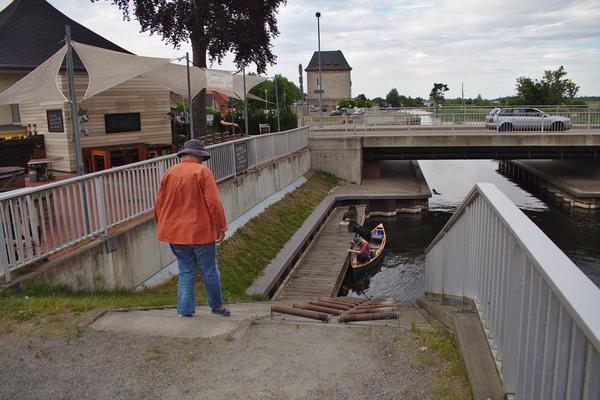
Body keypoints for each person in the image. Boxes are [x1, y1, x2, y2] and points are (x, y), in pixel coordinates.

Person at [154, 139, 231, 318]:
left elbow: (159, 203)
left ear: (184, 154)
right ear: (198, 156)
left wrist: (162, 224)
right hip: (200, 231)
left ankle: (185, 310)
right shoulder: (202, 172)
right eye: (202, 158)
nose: (203, 161)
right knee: (209, 270)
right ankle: (217, 306)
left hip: (174, 231)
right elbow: (213, 203)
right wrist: (221, 226)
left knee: (186, 269)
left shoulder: (169, 172)